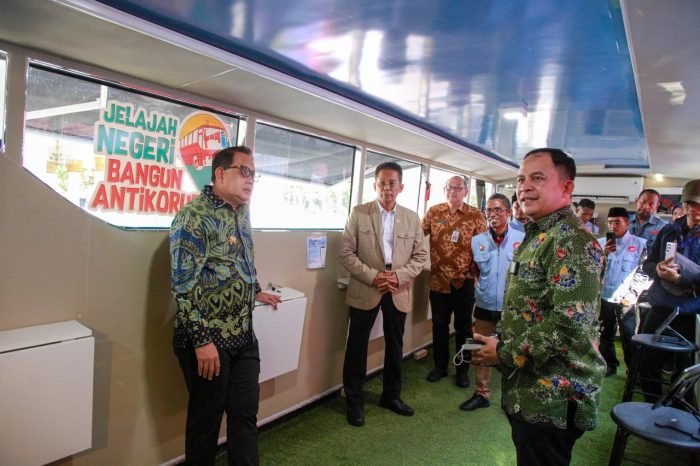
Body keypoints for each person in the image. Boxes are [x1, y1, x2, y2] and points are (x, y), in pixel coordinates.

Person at [472, 148, 604, 466]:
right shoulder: (539, 235)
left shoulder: (572, 240)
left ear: (567, 188)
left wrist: (503, 353)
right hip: (530, 387)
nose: (525, 186)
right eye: (521, 179)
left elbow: (569, 324)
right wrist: (501, 340)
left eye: (538, 178)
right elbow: (529, 309)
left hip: (554, 397)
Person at [170, 146, 282, 466]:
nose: (250, 179)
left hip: (243, 336)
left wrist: (254, 290)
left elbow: (242, 258)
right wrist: (202, 341)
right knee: (206, 422)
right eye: (243, 171)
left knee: (245, 415)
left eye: (253, 174)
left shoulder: (241, 211)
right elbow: (183, 287)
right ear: (219, 174)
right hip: (208, 341)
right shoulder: (193, 217)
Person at [339, 161, 428, 427]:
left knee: (395, 345)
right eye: (382, 183)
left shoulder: (412, 218)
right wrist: (374, 276)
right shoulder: (359, 213)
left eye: (392, 183)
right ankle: (354, 401)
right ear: (375, 185)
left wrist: (397, 277)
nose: (386, 188)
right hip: (367, 286)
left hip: (397, 288)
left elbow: (420, 257)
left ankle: (391, 396)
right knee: (356, 346)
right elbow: (346, 253)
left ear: (401, 187)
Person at [460, 193, 524, 411]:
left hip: (512, 307)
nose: (493, 214)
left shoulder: (523, 239)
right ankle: (481, 393)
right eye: (489, 210)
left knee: (514, 350)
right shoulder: (477, 241)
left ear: (508, 212)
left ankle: (515, 396)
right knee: (479, 349)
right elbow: (474, 271)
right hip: (484, 304)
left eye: (498, 209)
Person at [421, 175, 487, 387]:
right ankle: (440, 367)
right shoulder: (434, 212)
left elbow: (483, 247)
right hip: (438, 281)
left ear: (465, 191)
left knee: (464, 328)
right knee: (439, 326)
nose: (454, 191)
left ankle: (462, 370)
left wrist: (474, 273)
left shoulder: (475, 215)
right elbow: (416, 235)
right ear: (444, 190)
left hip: (463, 282)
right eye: (450, 187)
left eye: (458, 188)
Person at [639, 179, 700, 401]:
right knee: (646, 360)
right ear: (684, 205)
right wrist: (657, 269)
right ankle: (652, 403)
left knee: (684, 369)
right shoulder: (669, 230)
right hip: (661, 304)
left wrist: (682, 278)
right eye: (691, 204)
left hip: (691, 311)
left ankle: (677, 408)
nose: (695, 209)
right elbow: (647, 264)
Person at [598, 208, 646, 376]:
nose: (613, 226)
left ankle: (633, 371)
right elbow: (592, 269)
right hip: (604, 297)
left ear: (627, 223)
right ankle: (609, 365)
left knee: (628, 335)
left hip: (626, 299)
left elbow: (644, 273)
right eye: (610, 222)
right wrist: (603, 255)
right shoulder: (600, 243)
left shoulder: (640, 244)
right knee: (605, 333)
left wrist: (632, 294)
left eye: (617, 222)